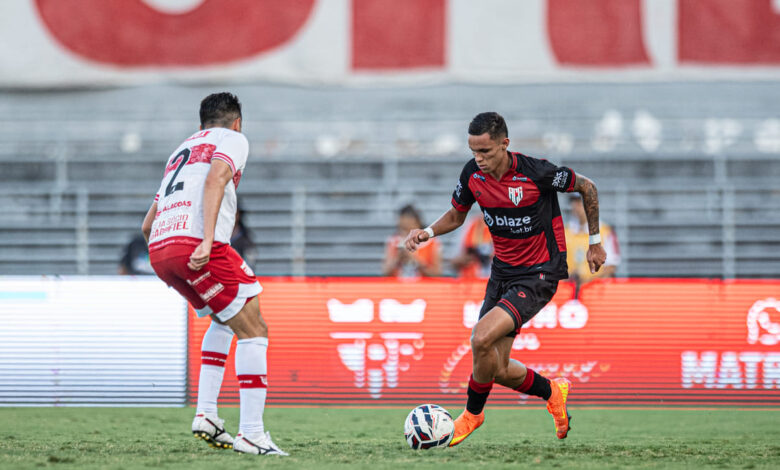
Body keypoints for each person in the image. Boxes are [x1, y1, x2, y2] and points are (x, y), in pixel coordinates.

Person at [404, 112, 606, 446]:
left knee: (480, 338)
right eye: (473, 151)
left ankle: (472, 415)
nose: (478, 159)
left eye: (485, 151)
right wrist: (427, 232)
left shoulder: (536, 172)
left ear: (504, 144)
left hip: (539, 273)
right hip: (502, 274)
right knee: (494, 367)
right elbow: (457, 214)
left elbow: (588, 187)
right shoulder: (472, 175)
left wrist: (595, 243)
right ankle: (553, 391)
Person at [141, 92, 287, 456]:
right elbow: (216, 180)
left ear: (201, 124)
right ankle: (252, 433)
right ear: (237, 122)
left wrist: (165, 250)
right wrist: (207, 241)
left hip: (160, 249)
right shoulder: (233, 139)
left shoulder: (182, 149)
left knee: (225, 320)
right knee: (254, 328)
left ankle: (206, 414)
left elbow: (148, 223)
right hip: (196, 244)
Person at [565, 194, 620, 294]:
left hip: (596, 293)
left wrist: (588, 281)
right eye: (574, 202)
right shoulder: (565, 232)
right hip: (568, 292)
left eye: (580, 202)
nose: (575, 206)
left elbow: (611, 267)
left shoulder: (605, 231)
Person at [382, 204, 442, 278]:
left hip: (424, 287)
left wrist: (415, 260)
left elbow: (437, 273)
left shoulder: (432, 242)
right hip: (398, 287)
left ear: (417, 223)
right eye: (403, 229)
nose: (406, 235)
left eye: (409, 229)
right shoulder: (393, 242)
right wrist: (397, 259)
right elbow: (385, 272)